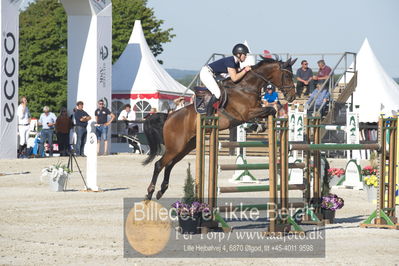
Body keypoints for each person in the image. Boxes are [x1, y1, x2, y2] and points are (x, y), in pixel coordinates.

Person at [199, 43, 252, 115]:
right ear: (239, 54)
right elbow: (235, 78)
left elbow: (238, 76)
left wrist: (245, 71)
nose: (245, 56)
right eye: (244, 54)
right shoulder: (230, 61)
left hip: (215, 75)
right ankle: (208, 115)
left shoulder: (236, 63)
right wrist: (245, 70)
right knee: (217, 93)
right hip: (206, 73)